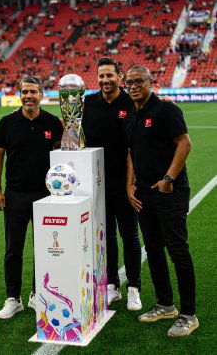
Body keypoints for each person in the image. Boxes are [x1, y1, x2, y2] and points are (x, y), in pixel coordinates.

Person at [124, 65, 199, 337]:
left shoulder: (166, 109)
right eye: (128, 82)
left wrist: (168, 179)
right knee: (153, 249)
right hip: (143, 193)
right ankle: (166, 304)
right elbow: (131, 152)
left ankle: (189, 314)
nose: (133, 86)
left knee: (177, 249)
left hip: (170, 192)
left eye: (138, 81)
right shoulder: (131, 116)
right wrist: (130, 184)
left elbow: (185, 143)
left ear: (150, 82)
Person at [0, 76, 63, 319]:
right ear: (20, 95)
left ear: (41, 94)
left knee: (43, 250)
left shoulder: (53, 123)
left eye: (33, 91)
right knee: (13, 249)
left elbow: (62, 155)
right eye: (25, 92)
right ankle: (13, 298)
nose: (29, 95)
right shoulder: (7, 122)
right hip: (15, 195)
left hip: (46, 196)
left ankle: (36, 294)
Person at [82, 57, 142, 310]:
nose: (105, 80)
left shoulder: (130, 102)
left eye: (110, 75)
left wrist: (132, 183)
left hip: (125, 183)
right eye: (101, 75)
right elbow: (72, 129)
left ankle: (134, 288)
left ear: (119, 76)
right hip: (97, 183)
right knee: (105, 237)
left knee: (129, 235)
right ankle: (112, 286)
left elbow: (134, 145)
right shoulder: (88, 103)